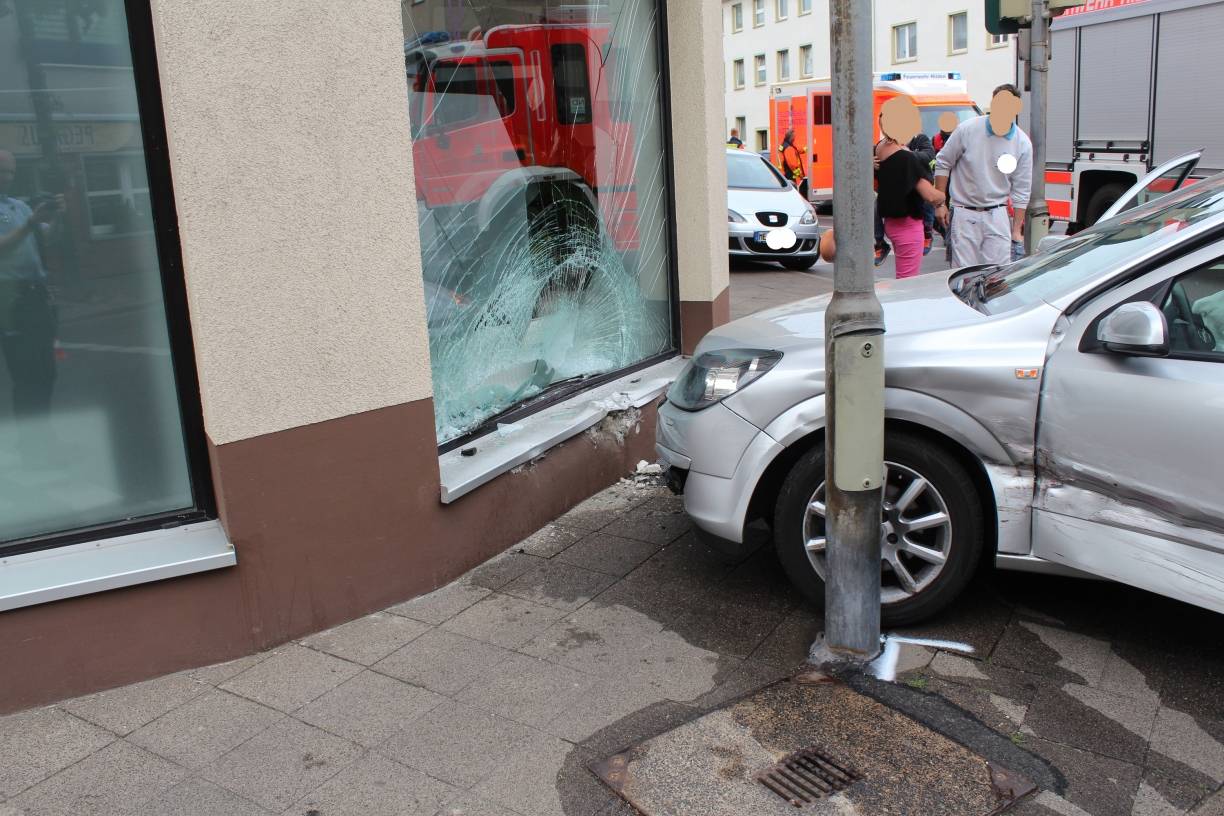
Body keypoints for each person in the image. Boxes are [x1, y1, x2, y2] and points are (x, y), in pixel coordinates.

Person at [0, 149, 61, 462]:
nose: (6, 177)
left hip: (36, 297)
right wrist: (31, 223)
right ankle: (33, 447)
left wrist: (51, 217)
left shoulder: (19, 206)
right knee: (26, 375)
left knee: (46, 371)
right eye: (1, 171)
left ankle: (40, 439)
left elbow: (44, 239)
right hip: (9, 300)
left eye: (10, 171)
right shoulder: (20, 212)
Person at [934, 84, 1033, 267]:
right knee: (963, 274)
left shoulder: (1021, 143)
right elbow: (943, 162)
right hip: (964, 211)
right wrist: (940, 204)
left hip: (997, 213)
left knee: (996, 276)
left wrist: (1016, 230)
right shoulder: (967, 130)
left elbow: (1022, 190)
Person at [874, 99, 946, 279]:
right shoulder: (906, 158)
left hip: (891, 222)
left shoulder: (880, 148)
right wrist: (943, 196)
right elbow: (930, 195)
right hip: (908, 225)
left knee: (904, 278)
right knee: (907, 282)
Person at [874, 129, 937, 266]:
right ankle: (879, 243)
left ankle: (927, 231)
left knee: (926, 201)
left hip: (915, 193)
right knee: (875, 205)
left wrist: (905, 156)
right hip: (897, 202)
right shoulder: (885, 145)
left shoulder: (920, 139)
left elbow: (929, 155)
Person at [779, 129, 809, 200]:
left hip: (785, 174)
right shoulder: (788, 148)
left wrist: (805, 149)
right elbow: (793, 165)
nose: (795, 138)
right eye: (794, 136)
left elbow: (796, 150)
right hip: (790, 176)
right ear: (791, 137)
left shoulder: (784, 145)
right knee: (794, 195)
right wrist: (800, 175)